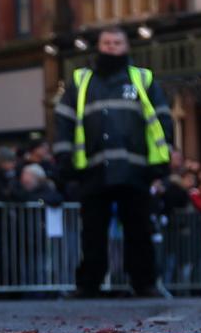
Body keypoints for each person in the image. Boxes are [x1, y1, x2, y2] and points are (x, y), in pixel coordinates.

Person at [53, 24, 169, 298]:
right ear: (99, 46)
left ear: (127, 47)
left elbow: (162, 119)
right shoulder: (81, 81)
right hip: (93, 167)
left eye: (117, 43)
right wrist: (64, 157)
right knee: (92, 230)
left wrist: (161, 161)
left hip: (135, 167)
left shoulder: (143, 79)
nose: (112, 48)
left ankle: (144, 282)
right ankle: (88, 284)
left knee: (138, 228)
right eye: (107, 43)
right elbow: (64, 121)